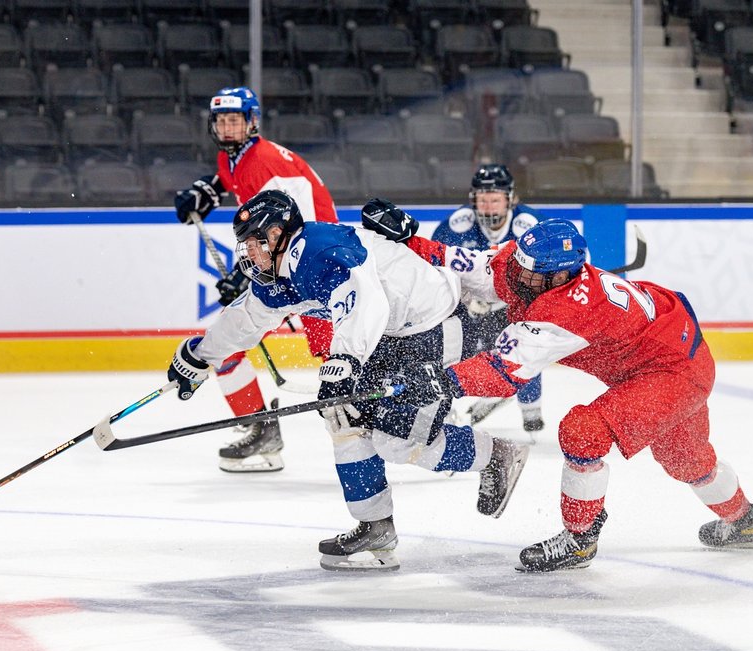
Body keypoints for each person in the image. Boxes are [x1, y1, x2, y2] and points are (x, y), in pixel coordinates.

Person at [166, 190, 530, 572]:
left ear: (275, 235)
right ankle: (375, 526)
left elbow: (366, 302)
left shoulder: (319, 252)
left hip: (435, 325)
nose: (248, 254)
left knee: (399, 439)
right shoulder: (280, 269)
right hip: (387, 335)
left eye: (253, 244)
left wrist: (343, 359)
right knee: (344, 417)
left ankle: (495, 456)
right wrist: (200, 355)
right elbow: (248, 317)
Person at [387, 216, 753, 572]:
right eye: (520, 261)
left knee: (583, 431)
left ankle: (579, 539)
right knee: (685, 460)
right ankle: (747, 524)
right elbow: (469, 265)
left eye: (531, 272)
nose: (517, 272)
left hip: (672, 373)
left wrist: (441, 380)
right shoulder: (528, 267)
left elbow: (505, 371)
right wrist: (408, 239)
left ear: (560, 277)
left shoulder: (567, 311)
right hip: (675, 345)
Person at [172, 86, 338, 473]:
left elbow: (300, 228)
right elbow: (232, 179)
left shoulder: (264, 163)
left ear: (252, 122)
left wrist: (248, 279)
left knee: (345, 363)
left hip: (319, 272)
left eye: (236, 121)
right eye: (222, 122)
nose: (228, 128)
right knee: (225, 345)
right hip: (284, 266)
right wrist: (209, 190)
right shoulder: (235, 157)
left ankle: (417, 427)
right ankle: (262, 432)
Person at [429, 164, 546, 432]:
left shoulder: (532, 225)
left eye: (495, 199)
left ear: (510, 199)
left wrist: (512, 296)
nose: (489, 206)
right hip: (470, 307)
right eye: (483, 200)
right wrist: (466, 298)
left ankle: (531, 411)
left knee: (526, 348)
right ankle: (447, 410)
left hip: (515, 306)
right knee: (454, 354)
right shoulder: (454, 227)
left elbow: (550, 270)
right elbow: (438, 272)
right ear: (473, 200)